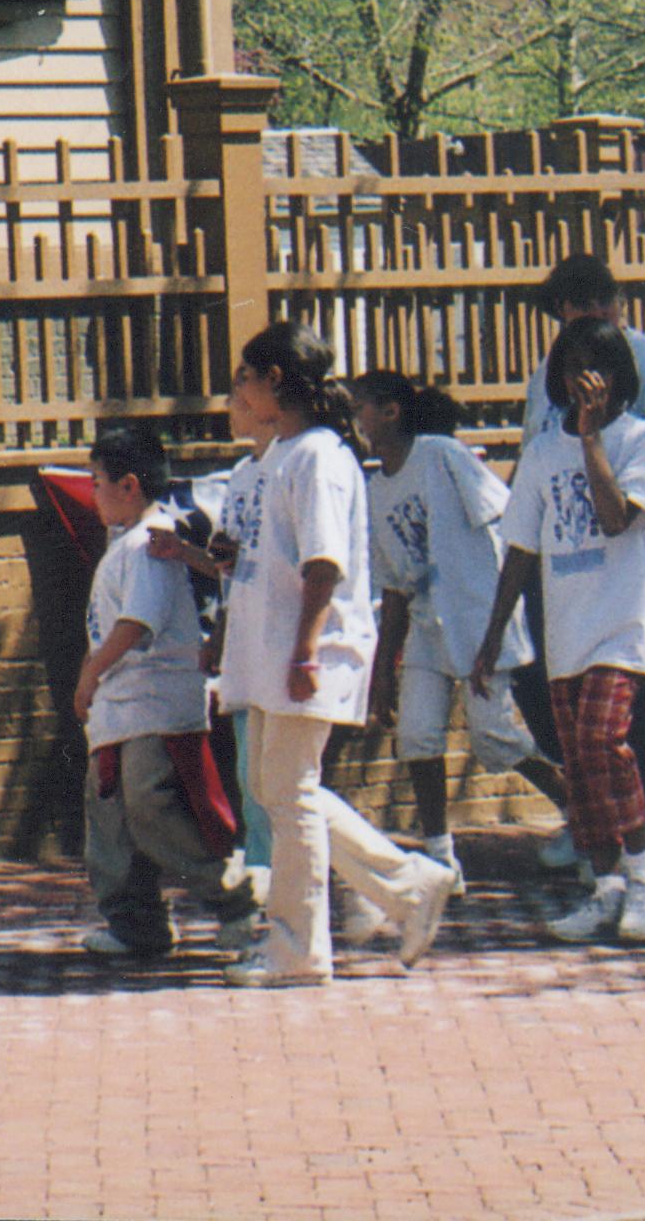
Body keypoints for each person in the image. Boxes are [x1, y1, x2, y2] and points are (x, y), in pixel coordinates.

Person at [215, 321, 456, 985]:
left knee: (287, 797)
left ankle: (298, 949)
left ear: (273, 382)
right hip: (272, 651)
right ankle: (408, 884)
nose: (236, 389)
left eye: (244, 376)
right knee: (277, 790)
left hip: (306, 651)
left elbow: (324, 566)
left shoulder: (319, 456)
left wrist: (303, 651)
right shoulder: (279, 457)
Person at [475, 316, 645, 944]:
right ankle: (607, 881)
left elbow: (617, 519)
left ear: (620, 377)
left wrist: (592, 440)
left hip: (623, 621)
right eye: (572, 368)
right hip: (567, 625)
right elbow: (520, 551)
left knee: (601, 737)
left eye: (599, 368)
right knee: (580, 760)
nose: (584, 381)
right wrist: (492, 637)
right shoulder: (540, 453)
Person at [521, 252, 645, 857]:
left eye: (606, 299)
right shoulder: (549, 375)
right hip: (574, 558)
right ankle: (595, 824)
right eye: (583, 304)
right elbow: (539, 459)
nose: (599, 313)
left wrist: (644, 509)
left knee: (642, 692)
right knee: (571, 695)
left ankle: (643, 829)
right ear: (560, 314)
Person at [359, 370, 572, 879]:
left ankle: (582, 812)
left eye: (362, 405)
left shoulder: (441, 456)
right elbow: (392, 585)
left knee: (494, 736)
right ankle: (439, 855)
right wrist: (384, 668)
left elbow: (506, 527)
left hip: (478, 619)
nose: (356, 416)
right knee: (416, 735)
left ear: (391, 411)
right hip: (426, 629)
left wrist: (495, 631)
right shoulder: (374, 488)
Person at [73, 420, 258, 959]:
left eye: (97, 481)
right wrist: (93, 677)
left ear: (129, 485)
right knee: (110, 815)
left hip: (154, 705)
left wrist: (89, 673)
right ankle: (136, 922)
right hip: (119, 709)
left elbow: (135, 626)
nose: (93, 493)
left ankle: (234, 899)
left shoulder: (147, 544)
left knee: (153, 811)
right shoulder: (126, 544)